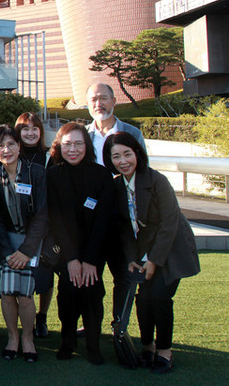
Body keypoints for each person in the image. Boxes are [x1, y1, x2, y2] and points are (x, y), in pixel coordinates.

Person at [104, 132, 200, 374]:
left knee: (159, 297)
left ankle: (165, 350)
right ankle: (148, 345)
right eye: (116, 156)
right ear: (110, 159)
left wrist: (153, 260)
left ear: (137, 153)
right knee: (143, 298)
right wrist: (132, 259)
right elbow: (124, 227)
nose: (123, 160)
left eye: (127, 154)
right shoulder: (116, 186)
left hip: (171, 248)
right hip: (142, 251)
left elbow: (170, 223)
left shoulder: (157, 180)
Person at [46, 122, 115, 365]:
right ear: (58, 147)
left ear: (87, 146)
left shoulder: (102, 175)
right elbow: (55, 220)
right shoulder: (52, 175)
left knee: (93, 295)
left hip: (94, 252)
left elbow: (104, 221)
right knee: (67, 293)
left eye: (78, 144)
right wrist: (72, 259)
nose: (72, 149)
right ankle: (68, 341)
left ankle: (94, 345)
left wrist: (90, 261)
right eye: (67, 144)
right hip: (66, 253)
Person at [85, 82, 146, 326]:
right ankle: (91, 323)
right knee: (92, 275)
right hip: (91, 218)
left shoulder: (132, 133)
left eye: (103, 98)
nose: (98, 103)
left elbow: (143, 173)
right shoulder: (83, 136)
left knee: (124, 274)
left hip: (122, 217)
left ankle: (119, 323)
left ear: (113, 100)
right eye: (93, 99)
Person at [0, 125, 49, 363]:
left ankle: (28, 338)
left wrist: (25, 251)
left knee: (25, 295)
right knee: (7, 293)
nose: (6, 149)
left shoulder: (37, 173)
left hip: (32, 242)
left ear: (19, 146)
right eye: (0, 145)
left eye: (11, 144)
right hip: (7, 244)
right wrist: (9, 251)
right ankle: (12, 337)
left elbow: (42, 215)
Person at [14, 111, 51, 338]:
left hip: (45, 226)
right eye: (25, 129)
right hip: (17, 227)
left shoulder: (49, 156)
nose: (30, 133)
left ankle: (43, 317)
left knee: (44, 277)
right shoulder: (12, 156)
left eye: (34, 128)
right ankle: (20, 320)